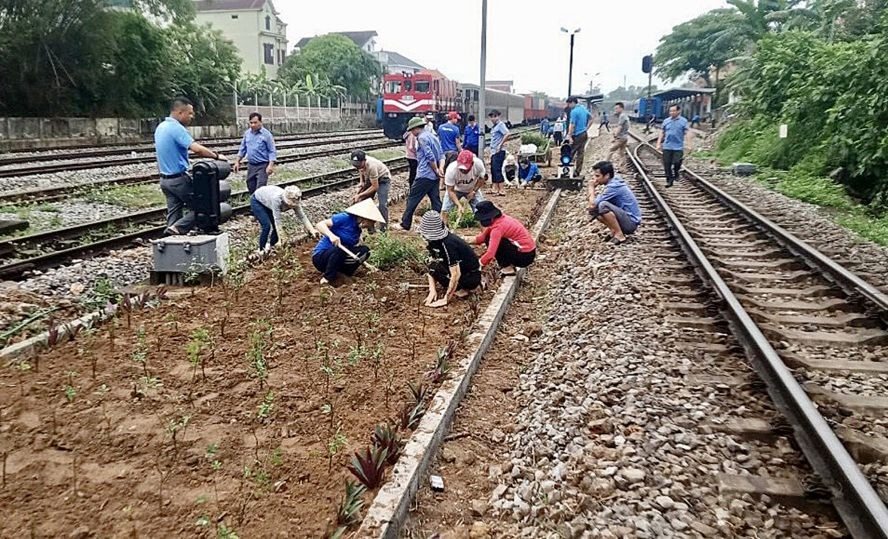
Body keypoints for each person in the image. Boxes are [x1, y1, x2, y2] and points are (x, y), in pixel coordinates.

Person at [154, 97, 228, 235]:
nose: (192, 117)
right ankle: (179, 228)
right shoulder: (176, 129)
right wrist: (217, 156)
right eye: (190, 113)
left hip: (164, 180)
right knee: (204, 207)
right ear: (180, 112)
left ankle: (170, 239)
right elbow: (197, 149)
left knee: (174, 212)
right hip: (178, 180)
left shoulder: (161, 127)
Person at [313, 199, 385, 285]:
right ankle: (327, 278)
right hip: (322, 257)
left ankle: (343, 273)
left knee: (364, 251)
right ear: (365, 218)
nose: (370, 225)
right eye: (371, 222)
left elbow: (353, 253)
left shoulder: (357, 231)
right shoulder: (345, 218)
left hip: (338, 258)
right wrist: (331, 236)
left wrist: (367, 265)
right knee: (341, 249)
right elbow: (320, 224)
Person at [419, 211, 483, 308]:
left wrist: (446, 299)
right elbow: (432, 266)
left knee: (456, 277)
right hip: (458, 270)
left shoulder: (448, 244)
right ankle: (457, 289)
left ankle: (462, 290)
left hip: (470, 276)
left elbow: (456, 274)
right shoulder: (433, 242)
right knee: (433, 266)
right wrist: (432, 290)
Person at [393, 116, 444, 231]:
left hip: (424, 174)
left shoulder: (421, 138)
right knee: (435, 200)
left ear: (416, 128)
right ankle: (439, 223)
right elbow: (441, 155)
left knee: (412, 199)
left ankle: (405, 224)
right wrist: (440, 170)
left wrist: (435, 169)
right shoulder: (433, 136)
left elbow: (429, 156)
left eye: (412, 130)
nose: (411, 132)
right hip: (434, 176)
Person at [471, 201, 536, 276]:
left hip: (524, 257)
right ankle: (508, 265)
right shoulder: (501, 220)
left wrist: (478, 264)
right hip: (529, 251)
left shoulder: (497, 229)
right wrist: (462, 241)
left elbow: (490, 254)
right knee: (489, 237)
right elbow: (482, 238)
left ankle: (508, 268)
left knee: (497, 241)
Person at [586, 161, 642, 245]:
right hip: (625, 219)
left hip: (630, 223)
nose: (595, 179)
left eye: (598, 176)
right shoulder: (613, 182)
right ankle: (614, 231)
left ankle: (620, 235)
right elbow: (592, 206)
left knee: (603, 205)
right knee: (595, 209)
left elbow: (592, 204)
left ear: (607, 175)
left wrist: (591, 188)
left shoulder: (613, 186)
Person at [250, 185, 317, 254]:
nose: (292, 206)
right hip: (258, 201)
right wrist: (281, 238)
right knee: (266, 226)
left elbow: (302, 216)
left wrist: (312, 230)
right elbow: (277, 220)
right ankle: (262, 250)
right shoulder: (276, 200)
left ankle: (272, 247)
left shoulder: (295, 200)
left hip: (268, 201)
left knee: (275, 228)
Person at [234, 112, 277, 194]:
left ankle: (259, 204)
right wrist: (237, 161)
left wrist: (270, 165)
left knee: (260, 188)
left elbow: (272, 151)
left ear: (260, 122)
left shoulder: (266, 135)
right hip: (251, 165)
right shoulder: (247, 134)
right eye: (251, 123)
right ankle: (255, 203)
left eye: (255, 122)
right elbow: (243, 148)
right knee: (250, 185)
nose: (253, 125)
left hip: (263, 165)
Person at [350, 150, 391, 232]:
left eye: (358, 164)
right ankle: (370, 229)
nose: (357, 166)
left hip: (383, 179)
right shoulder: (360, 164)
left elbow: (375, 187)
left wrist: (360, 195)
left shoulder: (372, 166)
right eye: (355, 164)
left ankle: (384, 229)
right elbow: (360, 169)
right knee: (365, 202)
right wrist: (362, 182)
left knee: (382, 204)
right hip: (371, 178)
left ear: (364, 161)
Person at [442, 149, 487, 220]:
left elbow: (481, 179)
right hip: (455, 190)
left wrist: (474, 191)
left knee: (481, 211)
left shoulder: (478, 164)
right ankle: (444, 229)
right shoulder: (451, 169)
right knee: (445, 211)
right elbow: (450, 190)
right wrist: (459, 205)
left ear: (472, 163)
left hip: (472, 188)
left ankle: (484, 230)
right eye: (461, 168)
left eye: (466, 168)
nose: (463, 170)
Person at [657, 104, 689, 187]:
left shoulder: (683, 121)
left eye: (674, 111)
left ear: (678, 111)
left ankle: (676, 172)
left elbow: (686, 133)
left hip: (678, 146)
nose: (672, 112)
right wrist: (658, 143)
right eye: (670, 111)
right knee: (667, 164)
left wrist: (689, 144)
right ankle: (669, 181)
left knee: (677, 162)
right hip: (667, 146)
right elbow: (662, 132)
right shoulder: (666, 121)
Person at [565, 96, 593, 174]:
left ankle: (567, 171)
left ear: (573, 102)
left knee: (570, 152)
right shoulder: (583, 108)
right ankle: (577, 171)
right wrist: (586, 128)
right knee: (580, 154)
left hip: (577, 135)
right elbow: (591, 118)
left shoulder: (574, 111)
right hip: (584, 134)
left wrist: (570, 136)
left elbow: (572, 125)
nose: (568, 106)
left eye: (569, 104)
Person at [488, 110, 509, 196]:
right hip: (493, 151)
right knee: (493, 169)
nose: (493, 118)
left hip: (499, 151)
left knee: (497, 169)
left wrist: (500, 145)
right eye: (492, 117)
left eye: (495, 116)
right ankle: (495, 188)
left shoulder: (501, 125)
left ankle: (501, 189)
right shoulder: (494, 126)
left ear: (498, 116)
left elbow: (507, 134)